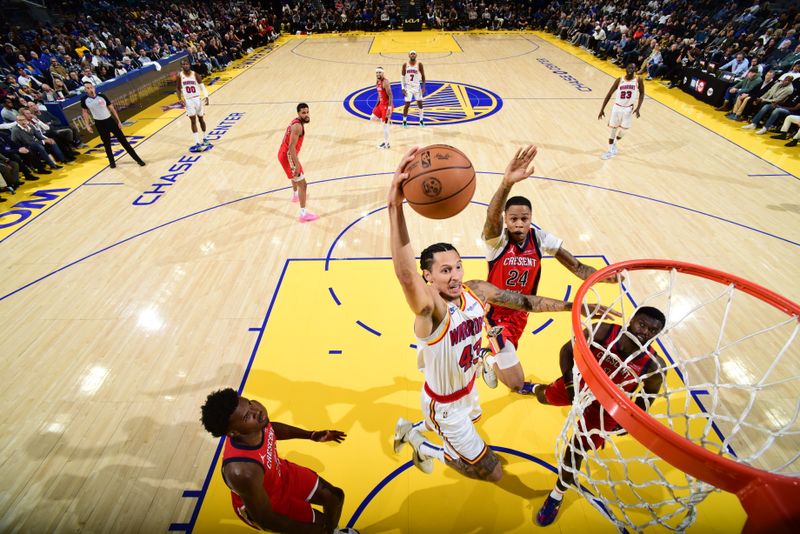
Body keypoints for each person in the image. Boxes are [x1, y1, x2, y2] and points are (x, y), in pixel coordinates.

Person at [388, 146, 615, 481]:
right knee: (492, 473)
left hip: (467, 392)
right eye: (444, 271)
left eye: (458, 267)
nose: (454, 276)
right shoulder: (431, 310)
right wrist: (394, 207)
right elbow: (405, 275)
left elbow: (524, 301)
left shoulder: (477, 290)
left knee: (473, 425)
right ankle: (419, 440)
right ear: (428, 278)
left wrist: (574, 306)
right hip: (445, 404)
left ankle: (473, 377)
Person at [481, 146, 617, 394]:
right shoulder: (496, 242)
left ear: (531, 217)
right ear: (506, 219)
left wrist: (606, 277)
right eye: (513, 219)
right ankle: (487, 357)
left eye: (524, 218)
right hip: (497, 315)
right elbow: (491, 219)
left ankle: (488, 354)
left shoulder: (540, 238)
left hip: (524, 310)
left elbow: (576, 266)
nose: (519, 223)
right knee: (515, 383)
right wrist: (506, 184)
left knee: (510, 364)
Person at [532, 307, 667, 526]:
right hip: (579, 384)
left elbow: (645, 399)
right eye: (642, 324)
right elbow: (567, 351)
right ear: (631, 321)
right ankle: (536, 388)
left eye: (652, 330)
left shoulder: (653, 366)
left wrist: (627, 422)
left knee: (576, 450)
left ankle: (556, 495)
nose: (644, 332)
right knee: (543, 397)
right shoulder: (603, 331)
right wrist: (569, 387)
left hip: (605, 408)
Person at [200, 388, 357, 533]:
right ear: (234, 432)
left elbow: (271, 429)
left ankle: (333, 532)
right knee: (321, 527)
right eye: (248, 416)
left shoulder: (256, 422)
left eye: (249, 403)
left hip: (281, 474)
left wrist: (311, 435)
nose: (257, 411)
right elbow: (267, 520)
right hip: (270, 503)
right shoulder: (242, 471)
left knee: (335, 498)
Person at [81, 82, 145, 168]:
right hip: (99, 124)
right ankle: (112, 162)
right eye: (87, 88)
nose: (90, 89)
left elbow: (112, 108)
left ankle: (138, 159)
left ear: (94, 87)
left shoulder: (102, 96)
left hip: (110, 121)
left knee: (124, 141)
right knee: (107, 144)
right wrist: (87, 125)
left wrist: (118, 121)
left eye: (91, 87)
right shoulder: (84, 100)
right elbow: (85, 112)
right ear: (85, 90)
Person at [278, 103, 319, 223]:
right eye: (303, 113)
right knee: (303, 184)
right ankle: (303, 214)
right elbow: (291, 147)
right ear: (298, 114)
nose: (306, 115)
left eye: (307, 112)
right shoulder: (298, 127)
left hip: (284, 153)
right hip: (288, 155)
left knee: (295, 177)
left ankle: (295, 195)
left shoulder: (296, 122)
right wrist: (295, 165)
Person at [598, 63, 645, 160]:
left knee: (624, 130)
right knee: (613, 130)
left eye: (633, 67)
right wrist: (602, 109)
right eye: (629, 67)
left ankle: (615, 142)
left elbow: (642, 93)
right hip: (617, 108)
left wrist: (639, 107)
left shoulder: (638, 80)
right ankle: (610, 151)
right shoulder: (619, 80)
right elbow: (609, 94)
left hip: (628, 109)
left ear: (636, 69)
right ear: (626, 69)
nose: (631, 69)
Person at [176, 59, 211, 151]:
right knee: (193, 121)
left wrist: (206, 96)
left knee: (201, 119)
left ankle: (205, 137)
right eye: (183, 64)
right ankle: (197, 142)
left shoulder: (195, 74)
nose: (185, 65)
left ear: (189, 65)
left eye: (187, 64)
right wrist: (179, 99)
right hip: (188, 101)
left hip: (197, 98)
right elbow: (178, 88)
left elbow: (202, 86)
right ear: (181, 66)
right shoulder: (180, 75)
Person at [400, 51, 425, 128]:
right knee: (407, 104)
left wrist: (423, 86)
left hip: (417, 87)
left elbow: (423, 75)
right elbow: (402, 77)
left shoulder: (419, 64)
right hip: (408, 87)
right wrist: (403, 88)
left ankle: (421, 121)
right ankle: (404, 121)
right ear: (409, 55)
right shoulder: (405, 64)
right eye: (411, 54)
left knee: (420, 104)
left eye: (414, 54)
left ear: (416, 55)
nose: (413, 55)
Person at [372, 67, 393, 149]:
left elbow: (390, 95)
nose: (378, 74)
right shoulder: (377, 82)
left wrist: (389, 108)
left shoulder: (385, 82)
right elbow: (379, 94)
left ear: (383, 73)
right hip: (380, 105)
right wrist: (376, 105)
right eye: (377, 72)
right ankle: (388, 121)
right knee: (373, 118)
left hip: (386, 106)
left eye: (380, 72)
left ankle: (386, 144)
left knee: (385, 126)